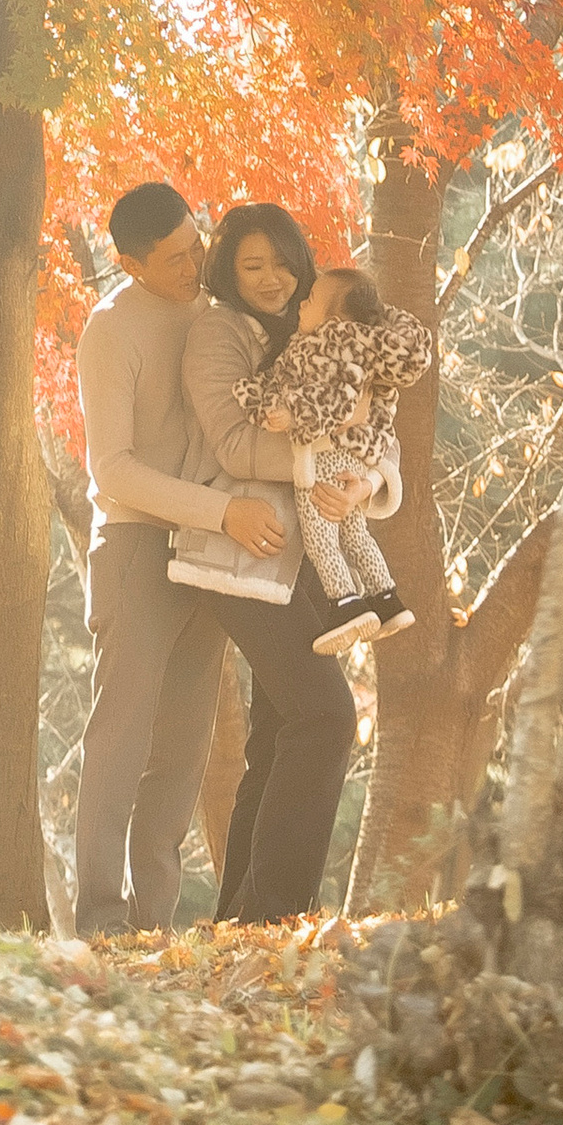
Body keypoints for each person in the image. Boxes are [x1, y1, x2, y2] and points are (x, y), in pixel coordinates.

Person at [72, 178, 281, 937]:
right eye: (175, 259)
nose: (195, 266)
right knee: (120, 743)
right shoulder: (110, 330)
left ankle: (152, 926)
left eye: (198, 247)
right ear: (130, 264)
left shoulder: (215, 316)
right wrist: (224, 511)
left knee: (184, 753)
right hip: (134, 544)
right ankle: (99, 927)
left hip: (207, 550)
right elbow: (112, 470)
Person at [179, 202, 398, 924]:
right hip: (240, 550)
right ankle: (273, 914)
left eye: (281, 262)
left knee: (277, 736)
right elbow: (235, 448)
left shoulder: (326, 323)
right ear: (227, 272)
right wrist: (334, 460)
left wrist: (364, 479)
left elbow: (378, 421)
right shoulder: (217, 332)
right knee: (326, 713)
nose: (271, 279)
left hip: (303, 553)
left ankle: (240, 919)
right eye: (251, 266)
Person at [234, 263, 433, 652]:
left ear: (335, 318)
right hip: (355, 461)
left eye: (310, 301)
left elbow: (336, 401)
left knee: (320, 537)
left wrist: (289, 411)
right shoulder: (365, 346)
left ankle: (345, 603)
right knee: (355, 534)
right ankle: (386, 599)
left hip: (323, 458)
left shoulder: (326, 344)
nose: (301, 305)